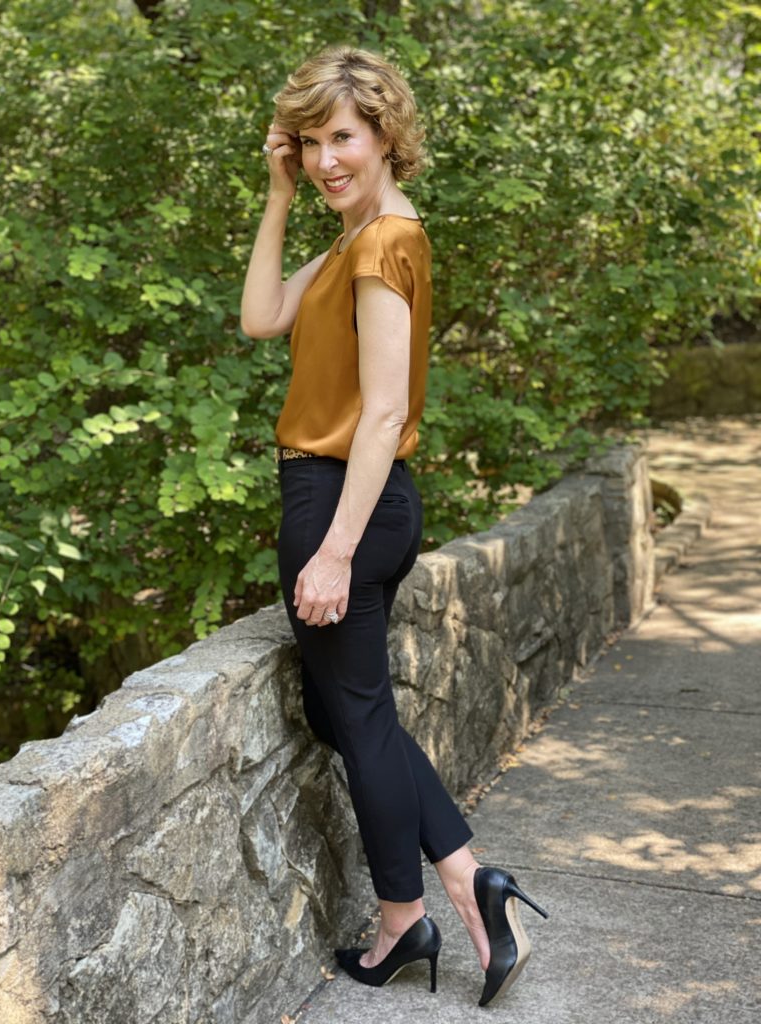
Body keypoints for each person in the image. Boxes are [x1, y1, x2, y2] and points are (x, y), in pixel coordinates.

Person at [240, 45, 548, 1007]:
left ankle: (403, 922)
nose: (326, 157)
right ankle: (468, 882)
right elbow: (261, 317)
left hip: (342, 498)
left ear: (384, 136)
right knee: (345, 711)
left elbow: (380, 412)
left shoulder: (381, 243)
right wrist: (279, 194)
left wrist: (332, 550)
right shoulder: (359, 234)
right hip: (355, 495)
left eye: (344, 137)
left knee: (360, 718)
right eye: (310, 139)